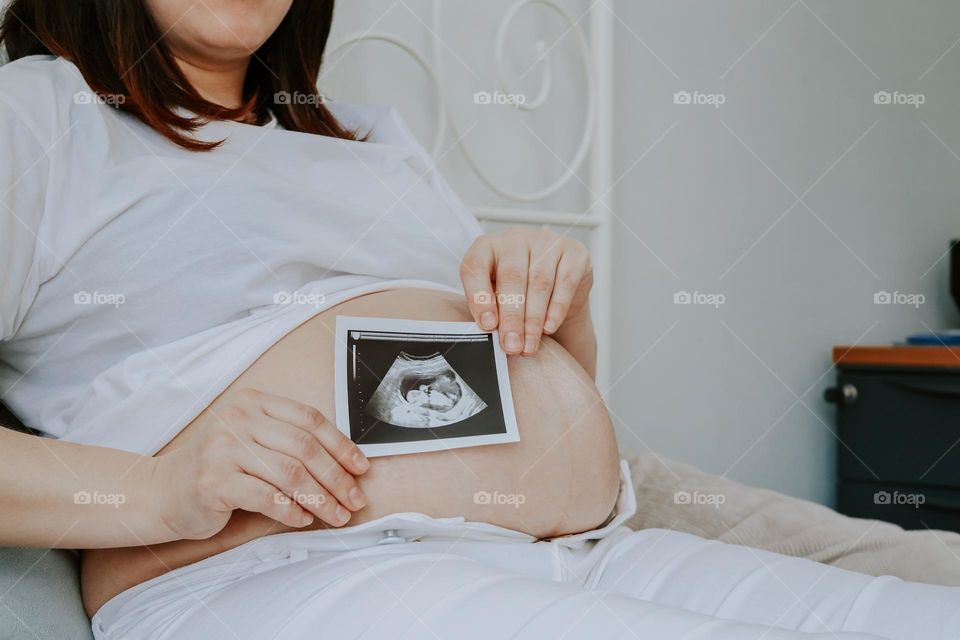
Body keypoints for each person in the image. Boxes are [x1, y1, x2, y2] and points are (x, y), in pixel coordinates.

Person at [1, 2, 959, 639]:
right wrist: (162, 490)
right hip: (280, 572)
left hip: (577, 545)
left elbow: (537, 386)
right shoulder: (38, 118)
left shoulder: (369, 141)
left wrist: (554, 303)